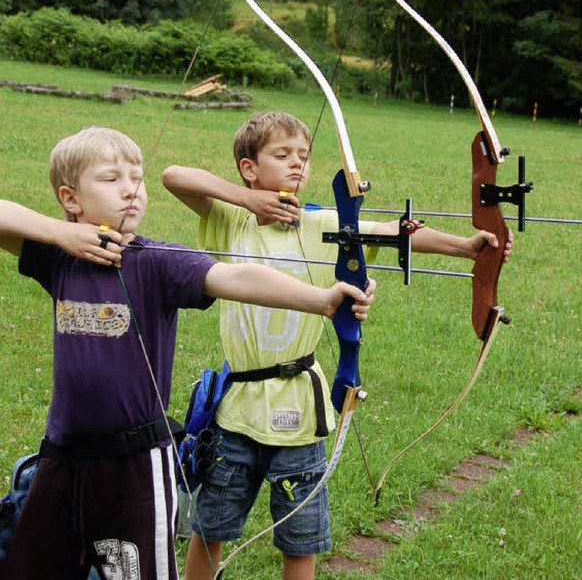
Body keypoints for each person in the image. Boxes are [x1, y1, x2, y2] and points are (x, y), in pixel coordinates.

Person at [0, 125, 374, 580]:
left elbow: (238, 278)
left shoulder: (157, 262)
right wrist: (62, 233)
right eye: (111, 178)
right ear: (70, 197)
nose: (131, 189)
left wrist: (321, 299)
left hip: (136, 466)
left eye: (136, 177)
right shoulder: (56, 257)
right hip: (61, 455)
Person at [162, 110, 514, 580]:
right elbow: (174, 177)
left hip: (301, 415)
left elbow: (391, 231)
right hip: (237, 410)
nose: (297, 166)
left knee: (300, 538)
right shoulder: (232, 220)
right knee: (212, 527)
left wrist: (468, 247)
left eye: (304, 157)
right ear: (249, 167)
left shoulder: (323, 223)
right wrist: (249, 200)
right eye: (282, 155)